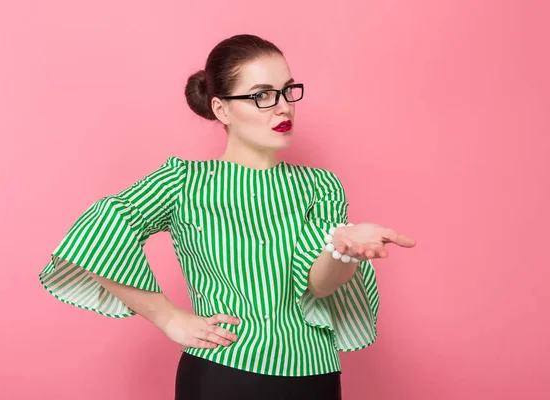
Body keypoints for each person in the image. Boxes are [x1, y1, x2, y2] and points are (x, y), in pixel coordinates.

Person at [39, 34, 417, 399]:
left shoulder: (321, 186)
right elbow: (101, 227)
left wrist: (343, 250)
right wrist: (169, 318)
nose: (283, 106)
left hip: (316, 374)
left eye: (287, 90)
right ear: (221, 109)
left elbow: (318, 286)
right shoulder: (184, 181)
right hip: (225, 373)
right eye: (262, 96)